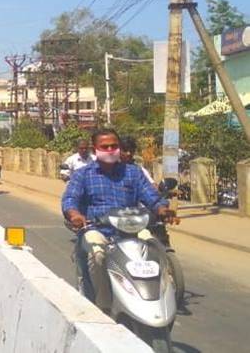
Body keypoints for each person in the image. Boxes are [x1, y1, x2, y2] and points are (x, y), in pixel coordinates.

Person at [61, 128, 176, 310]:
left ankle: (159, 299)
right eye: (104, 146)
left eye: (114, 146)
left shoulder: (133, 173)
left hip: (132, 231)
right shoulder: (83, 175)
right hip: (98, 230)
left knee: (156, 250)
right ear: (95, 148)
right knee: (97, 255)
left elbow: (151, 196)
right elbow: (70, 199)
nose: (110, 150)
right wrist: (75, 215)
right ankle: (104, 304)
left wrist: (162, 209)